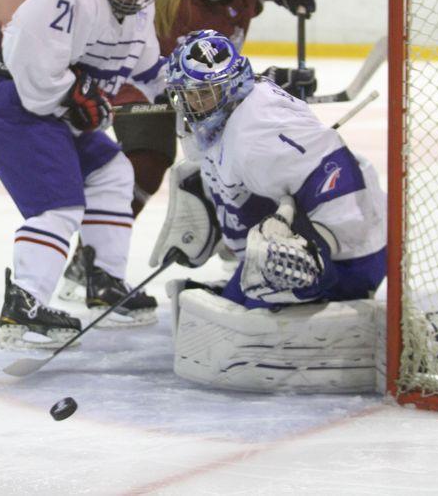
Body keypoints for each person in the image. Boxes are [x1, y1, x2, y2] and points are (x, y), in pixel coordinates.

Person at [60, 0, 317, 298]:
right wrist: (271, 79)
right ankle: (89, 261)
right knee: (146, 165)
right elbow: (199, 76)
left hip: (203, 92)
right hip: (146, 87)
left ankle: (236, 238)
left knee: (236, 158)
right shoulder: (179, 9)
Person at [0, 0, 167, 350]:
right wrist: (79, 95)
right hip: (9, 99)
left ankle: (102, 280)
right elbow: (35, 78)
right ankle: (26, 304)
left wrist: (205, 90)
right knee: (60, 204)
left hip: (50, 108)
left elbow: (151, 75)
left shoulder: (141, 14)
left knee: (113, 172)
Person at [156, 31, 388, 392]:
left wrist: (318, 248)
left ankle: (329, 295)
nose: (195, 103)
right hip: (319, 234)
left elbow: (338, 174)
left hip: (353, 255)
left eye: (205, 93)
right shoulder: (231, 118)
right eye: (189, 94)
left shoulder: (255, 137)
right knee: (221, 307)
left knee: (248, 305)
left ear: (232, 87)